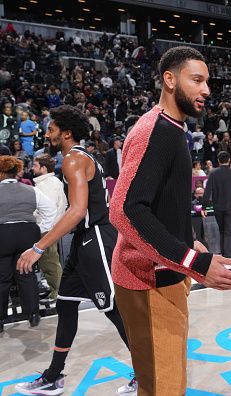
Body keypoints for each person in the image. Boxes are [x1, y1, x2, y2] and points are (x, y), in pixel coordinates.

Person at [109, 46, 231, 396]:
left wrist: (187, 241)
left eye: (207, 82)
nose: (206, 90)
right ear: (169, 80)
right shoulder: (156, 131)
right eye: (197, 80)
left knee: (167, 384)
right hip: (146, 279)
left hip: (162, 274)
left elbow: (158, 204)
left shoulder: (171, 128)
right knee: (163, 389)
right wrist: (193, 261)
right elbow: (124, 210)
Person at [15, 105, 132, 395]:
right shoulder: (82, 157)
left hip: (95, 240)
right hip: (84, 241)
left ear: (66, 133)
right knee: (66, 304)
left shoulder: (73, 160)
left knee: (114, 309)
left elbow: (79, 210)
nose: (47, 132)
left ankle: (147, 369)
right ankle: (54, 376)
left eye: (52, 129)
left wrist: (39, 247)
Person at [0, 156, 56, 333]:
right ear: (17, 171)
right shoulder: (31, 190)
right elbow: (50, 210)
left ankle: (0, 319)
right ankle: (32, 314)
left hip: (3, 235)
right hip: (27, 234)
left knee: (3, 279)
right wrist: (40, 230)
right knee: (26, 273)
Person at [32, 154, 67, 302]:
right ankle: (55, 290)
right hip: (49, 228)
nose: (32, 168)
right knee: (49, 260)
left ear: (44, 168)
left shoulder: (48, 184)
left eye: (35, 166)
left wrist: (44, 228)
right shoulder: (48, 182)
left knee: (49, 261)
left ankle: (57, 293)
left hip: (47, 229)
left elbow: (50, 210)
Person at [203, 150, 231, 257]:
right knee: (228, 233)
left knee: (222, 232)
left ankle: (224, 257)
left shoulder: (213, 173)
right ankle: (227, 258)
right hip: (230, 206)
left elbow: (207, 191)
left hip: (218, 206)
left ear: (218, 160)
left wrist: (204, 207)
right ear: (229, 160)